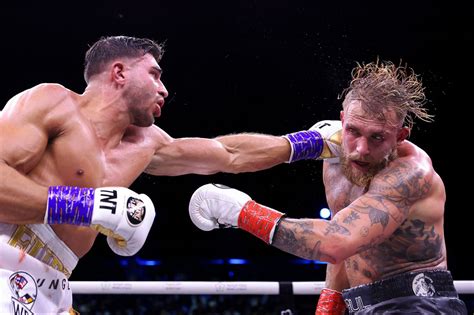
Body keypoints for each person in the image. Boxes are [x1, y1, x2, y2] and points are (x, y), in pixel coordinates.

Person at [0, 35, 333, 313]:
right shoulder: (53, 102)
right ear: (119, 73)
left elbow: (229, 154)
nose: (164, 90)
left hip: (54, 284)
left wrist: (311, 142)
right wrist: (84, 206)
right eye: (154, 74)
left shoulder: (147, 144)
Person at [189, 61, 468, 314]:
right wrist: (327, 310)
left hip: (419, 305)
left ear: (400, 136)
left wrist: (242, 212)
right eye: (354, 131)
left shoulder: (410, 174)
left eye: (378, 137)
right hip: (364, 306)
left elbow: (336, 242)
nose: (361, 149)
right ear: (342, 120)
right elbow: (344, 247)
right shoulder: (336, 158)